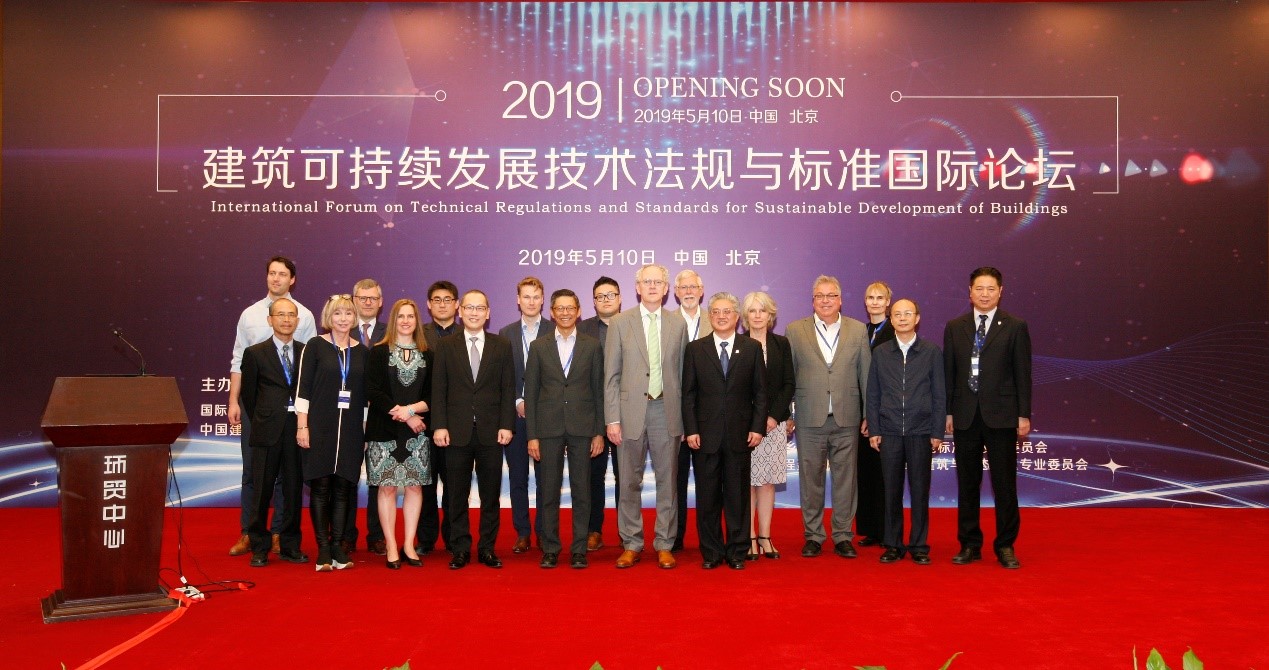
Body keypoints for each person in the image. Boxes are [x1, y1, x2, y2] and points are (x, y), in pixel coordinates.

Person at [227, 256, 317, 557]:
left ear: (292, 279)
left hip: (294, 417)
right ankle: (250, 534)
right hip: (260, 414)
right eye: (272, 273)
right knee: (254, 474)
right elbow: (239, 362)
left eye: (282, 274)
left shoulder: (304, 315)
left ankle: (280, 535)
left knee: (290, 479)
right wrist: (236, 402)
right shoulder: (250, 315)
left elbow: (309, 366)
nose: (276, 278)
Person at [944, 267, 1032, 569]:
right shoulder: (955, 327)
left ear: (1000, 291)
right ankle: (970, 544)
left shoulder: (1015, 326)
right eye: (979, 288)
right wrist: (948, 411)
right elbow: (949, 373)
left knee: (1004, 484)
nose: (984, 294)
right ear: (970, 292)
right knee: (967, 483)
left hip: (1002, 416)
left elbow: (1023, 373)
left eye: (990, 289)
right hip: (965, 415)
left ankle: (1005, 545)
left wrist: (1023, 414)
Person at [604, 264, 688, 570]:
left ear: (666, 289)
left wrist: (685, 418)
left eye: (658, 282)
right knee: (629, 481)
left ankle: (664, 544)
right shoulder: (620, 322)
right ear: (637, 288)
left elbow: (682, 374)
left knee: (668, 482)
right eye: (646, 281)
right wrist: (612, 418)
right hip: (629, 413)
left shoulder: (677, 323)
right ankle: (632, 543)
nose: (652, 286)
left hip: (667, 410)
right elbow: (611, 376)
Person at [785, 275, 871, 559]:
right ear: (812, 301)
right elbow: (788, 376)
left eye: (831, 295)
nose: (825, 301)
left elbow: (866, 376)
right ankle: (813, 535)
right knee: (811, 480)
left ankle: (843, 535)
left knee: (846, 481)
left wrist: (869, 414)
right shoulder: (795, 330)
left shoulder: (857, 330)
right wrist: (787, 413)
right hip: (809, 417)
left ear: (840, 300)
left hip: (847, 417)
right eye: (820, 296)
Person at [431, 290, 515, 570]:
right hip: (456, 432)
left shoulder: (501, 345)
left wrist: (507, 425)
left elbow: (507, 388)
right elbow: (438, 389)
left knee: (491, 495)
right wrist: (439, 425)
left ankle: (487, 548)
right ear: (460, 311)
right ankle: (460, 549)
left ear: (488, 313)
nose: (474, 313)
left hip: (492, 432)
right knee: (456, 494)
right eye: (469, 308)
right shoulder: (446, 346)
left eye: (480, 308)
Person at [682, 293, 767, 570]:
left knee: (737, 497)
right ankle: (711, 552)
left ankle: (737, 551)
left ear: (737, 316)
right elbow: (688, 394)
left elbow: (760, 393)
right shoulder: (696, 349)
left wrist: (757, 427)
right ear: (710, 316)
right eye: (716, 312)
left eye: (727, 311)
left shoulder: (751, 348)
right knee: (707, 497)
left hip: (740, 435)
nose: (721, 316)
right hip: (704, 436)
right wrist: (691, 429)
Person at [524, 289, 605, 569]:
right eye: (560, 308)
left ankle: (579, 549)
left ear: (579, 311)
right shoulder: (539, 346)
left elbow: (598, 391)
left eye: (570, 308)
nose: (565, 313)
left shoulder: (592, 346)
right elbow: (531, 393)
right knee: (549, 491)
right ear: (552, 312)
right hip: (548, 428)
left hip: (583, 427)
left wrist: (599, 431)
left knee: (582, 491)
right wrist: (532, 435)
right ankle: (550, 548)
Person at [865, 298, 945, 565]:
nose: (902, 318)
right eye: (897, 314)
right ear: (891, 318)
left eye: (907, 314)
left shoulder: (931, 352)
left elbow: (939, 395)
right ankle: (893, 544)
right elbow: (873, 394)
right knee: (891, 490)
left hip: (921, 430)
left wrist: (937, 431)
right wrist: (874, 428)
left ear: (917, 318)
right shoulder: (881, 352)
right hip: (888, 431)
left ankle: (919, 545)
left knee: (920, 490)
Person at [295, 294, 368, 571]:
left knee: (343, 489)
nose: (343, 319)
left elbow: (365, 398)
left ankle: (338, 545)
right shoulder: (315, 346)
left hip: (351, 430)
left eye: (348, 313)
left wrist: (364, 432)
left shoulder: (362, 352)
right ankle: (323, 548)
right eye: (337, 313)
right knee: (321, 487)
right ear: (329, 317)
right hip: (319, 427)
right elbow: (302, 390)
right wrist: (302, 426)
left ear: (354, 317)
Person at [239, 297, 309, 567]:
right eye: (280, 315)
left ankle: (290, 545)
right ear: (270, 320)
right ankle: (259, 546)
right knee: (262, 491)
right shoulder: (255, 353)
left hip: (297, 431)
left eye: (291, 315)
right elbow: (249, 396)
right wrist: (267, 417)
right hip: (266, 431)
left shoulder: (306, 352)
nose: (286, 319)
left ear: (297, 320)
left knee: (293, 490)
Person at [366, 299, 432, 570]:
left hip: (417, 434)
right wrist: (405, 414)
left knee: (415, 487)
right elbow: (372, 390)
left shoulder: (428, 354)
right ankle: (392, 545)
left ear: (417, 321)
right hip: (384, 429)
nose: (406, 321)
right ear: (393, 320)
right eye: (401, 316)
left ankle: (408, 544)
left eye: (410, 316)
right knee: (387, 488)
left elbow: (434, 394)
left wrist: (411, 411)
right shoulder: (378, 352)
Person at [498, 277, 554, 555]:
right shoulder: (505, 333)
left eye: (536, 297)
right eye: (526, 297)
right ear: (518, 300)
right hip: (516, 418)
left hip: (546, 417)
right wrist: (518, 401)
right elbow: (501, 377)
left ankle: (544, 531)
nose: (531, 302)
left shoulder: (555, 330)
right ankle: (522, 532)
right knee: (517, 477)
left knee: (546, 478)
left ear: (543, 300)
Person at [740, 291, 794, 561]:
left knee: (767, 482)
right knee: (747, 483)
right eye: (752, 311)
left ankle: (765, 535)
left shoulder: (781, 344)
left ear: (771, 315)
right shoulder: (737, 344)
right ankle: (749, 536)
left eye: (762, 310)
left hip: (773, 425)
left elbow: (788, 383)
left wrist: (772, 417)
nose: (758, 315)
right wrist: (753, 420)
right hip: (744, 426)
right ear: (745, 316)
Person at [577, 276, 621, 551]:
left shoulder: (632, 324)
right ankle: (593, 529)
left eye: (610, 295)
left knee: (626, 476)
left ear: (620, 298)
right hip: (591, 414)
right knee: (593, 475)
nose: (606, 300)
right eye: (600, 296)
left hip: (625, 413)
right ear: (593, 301)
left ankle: (627, 531)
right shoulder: (582, 330)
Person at [417, 280, 459, 555]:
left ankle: (455, 538)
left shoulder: (468, 333)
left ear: (457, 304)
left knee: (455, 485)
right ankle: (426, 538)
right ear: (429, 305)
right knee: (426, 482)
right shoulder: (418, 335)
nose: (442, 305)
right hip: (423, 422)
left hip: (457, 423)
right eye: (437, 300)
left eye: (448, 300)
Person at [671, 269, 711, 553]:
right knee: (675, 481)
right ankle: (674, 537)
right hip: (673, 414)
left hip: (709, 415)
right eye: (683, 287)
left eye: (692, 287)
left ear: (701, 290)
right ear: (675, 292)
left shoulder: (717, 319)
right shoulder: (665, 321)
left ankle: (709, 540)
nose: (688, 292)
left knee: (709, 482)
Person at [348, 279, 388, 556]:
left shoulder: (391, 332)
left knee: (378, 479)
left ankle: (376, 535)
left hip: (379, 416)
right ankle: (345, 535)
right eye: (362, 298)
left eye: (372, 298)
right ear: (354, 300)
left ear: (381, 301)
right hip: (348, 416)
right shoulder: (341, 329)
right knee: (347, 478)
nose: (367, 302)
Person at [856, 281, 895, 548]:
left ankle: (887, 530)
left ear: (888, 302)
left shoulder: (894, 331)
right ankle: (871, 529)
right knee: (867, 473)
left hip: (885, 413)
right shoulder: (861, 331)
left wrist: (875, 415)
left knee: (885, 474)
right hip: (860, 412)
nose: (875, 302)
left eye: (880, 298)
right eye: (870, 297)